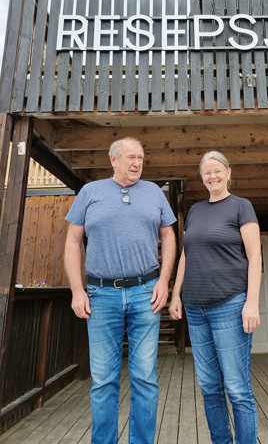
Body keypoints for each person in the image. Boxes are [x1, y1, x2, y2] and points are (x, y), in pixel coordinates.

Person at [64, 138, 177, 444]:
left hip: (145, 293)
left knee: (145, 379)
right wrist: (78, 290)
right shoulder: (91, 192)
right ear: (113, 160)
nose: (137, 163)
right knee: (103, 382)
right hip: (101, 295)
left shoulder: (154, 192)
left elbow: (169, 236)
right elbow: (73, 242)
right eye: (130, 157)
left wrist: (164, 281)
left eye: (141, 157)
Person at [169, 151, 262, 444]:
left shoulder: (241, 207)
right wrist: (175, 295)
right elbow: (186, 254)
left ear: (229, 172)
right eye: (207, 172)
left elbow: (255, 256)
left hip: (231, 305)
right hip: (196, 309)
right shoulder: (196, 210)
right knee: (209, 386)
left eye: (217, 171)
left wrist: (252, 302)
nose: (213, 176)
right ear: (202, 177)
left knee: (236, 387)